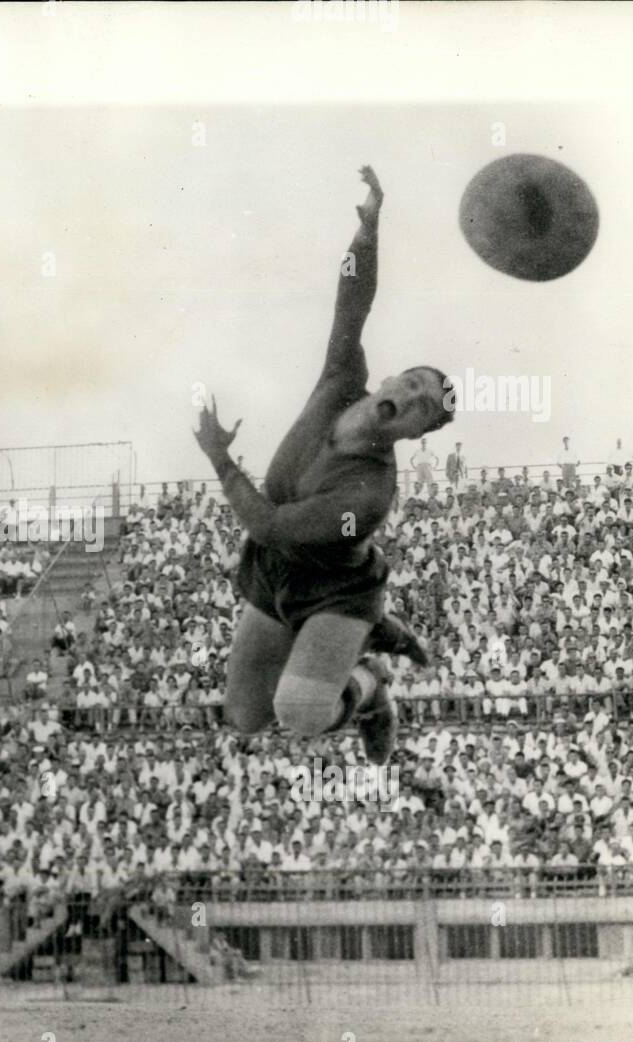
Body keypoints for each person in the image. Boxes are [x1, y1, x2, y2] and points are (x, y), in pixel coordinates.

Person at [193, 166, 448, 765]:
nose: (409, 398)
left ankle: (371, 688)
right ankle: (374, 641)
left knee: (301, 716)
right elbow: (350, 303)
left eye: (423, 407)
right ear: (388, 378)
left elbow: (271, 526)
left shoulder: (370, 492)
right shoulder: (340, 382)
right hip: (276, 574)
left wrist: (220, 460)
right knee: (246, 720)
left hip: (335, 592)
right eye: (410, 383)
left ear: (417, 432)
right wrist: (367, 236)